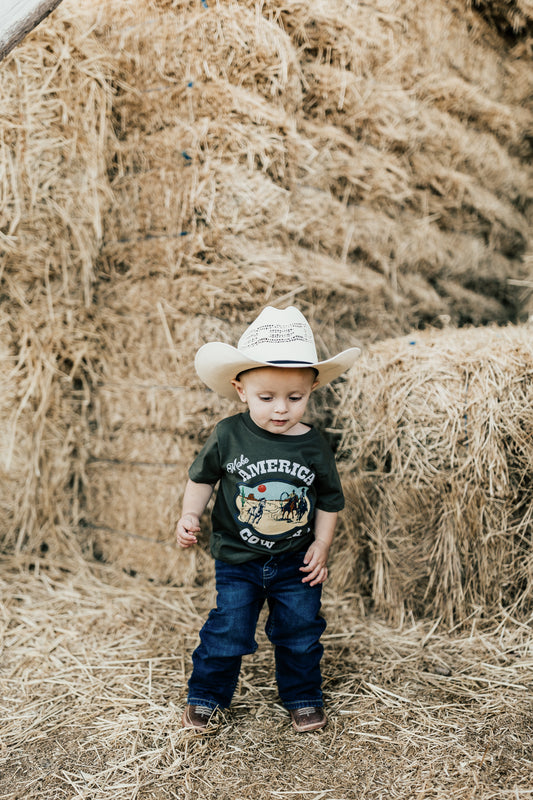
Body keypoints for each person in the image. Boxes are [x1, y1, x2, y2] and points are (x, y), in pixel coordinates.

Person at [175, 306, 360, 732]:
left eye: (295, 398)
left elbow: (330, 500)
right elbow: (200, 478)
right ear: (241, 390)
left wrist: (322, 544)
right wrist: (190, 514)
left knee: (300, 631)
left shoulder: (314, 446)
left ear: (311, 389)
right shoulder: (228, 434)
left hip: (296, 561)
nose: (281, 409)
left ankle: (302, 696)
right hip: (238, 560)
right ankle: (207, 695)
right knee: (228, 630)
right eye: (267, 397)